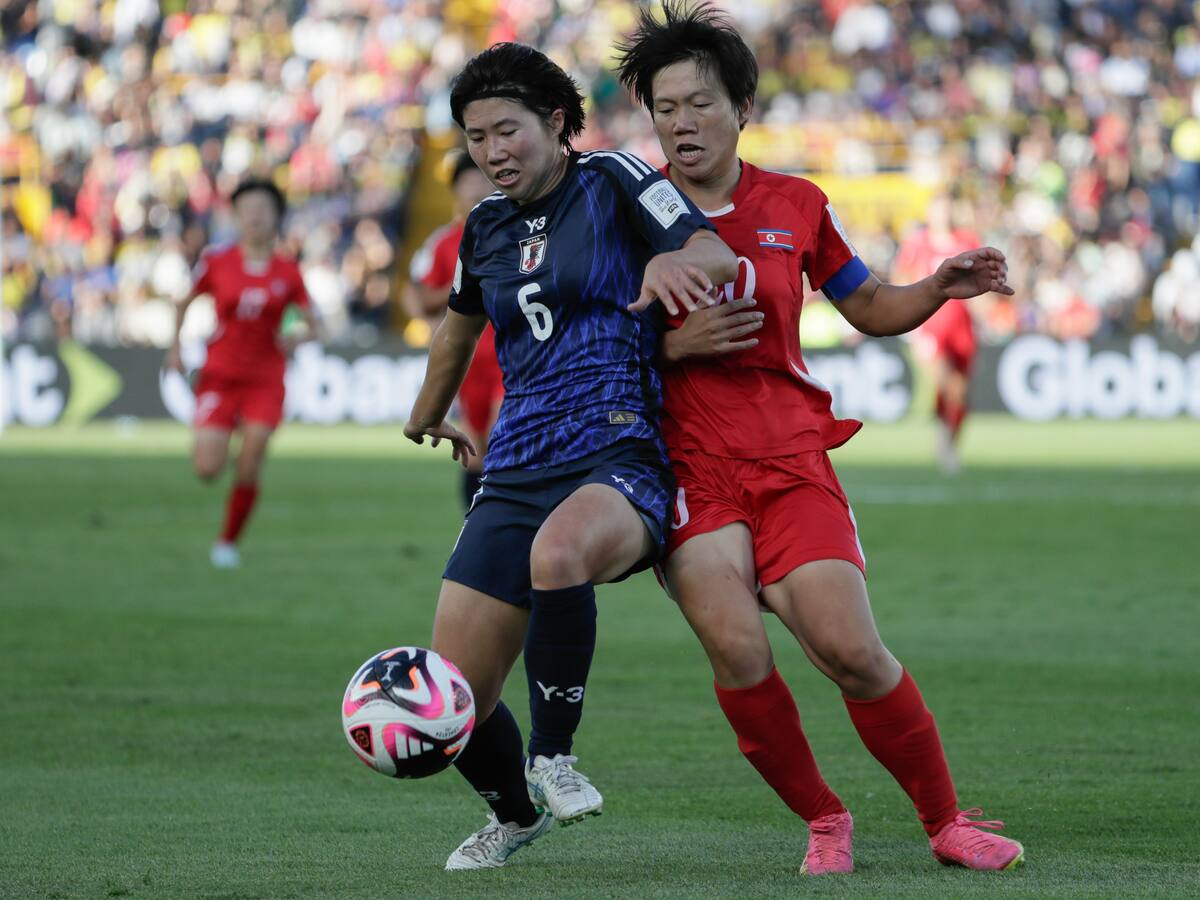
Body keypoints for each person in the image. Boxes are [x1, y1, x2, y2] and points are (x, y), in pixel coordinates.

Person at [614, 2, 1024, 875]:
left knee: (849, 651)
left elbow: (868, 304)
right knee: (736, 644)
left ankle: (947, 823)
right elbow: (584, 339)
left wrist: (938, 286)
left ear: (741, 108)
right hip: (687, 465)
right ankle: (825, 820)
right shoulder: (623, 208)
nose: (680, 123)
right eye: (664, 108)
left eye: (697, 103)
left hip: (791, 457)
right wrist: (665, 343)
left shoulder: (796, 204)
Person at [401, 42, 737, 870]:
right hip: (515, 463)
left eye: (506, 131)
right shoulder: (482, 226)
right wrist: (425, 414)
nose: (491, 153)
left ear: (555, 123)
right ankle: (517, 814)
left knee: (560, 554)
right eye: (476, 138)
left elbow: (715, 254)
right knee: (452, 699)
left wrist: (670, 260)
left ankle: (554, 756)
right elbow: (457, 329)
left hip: (617, 447)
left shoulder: (616, 179)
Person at [165, 178, 321, 569]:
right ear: (236, 216)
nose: (255, 216)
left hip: (266, 379)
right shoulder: (218, 262)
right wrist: (175, 347)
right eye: (247, 209)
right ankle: (221, 428)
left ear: (276, 217)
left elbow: (311, 323)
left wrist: (296, 338)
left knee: (250, 462)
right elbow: (184, 300)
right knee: (207, 469)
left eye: (263, 209)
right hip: (219, 374)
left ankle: (227, 541)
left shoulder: (288, 270)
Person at [408, 151, 505, 507]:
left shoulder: (512, 231)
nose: (476, 189)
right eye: (468, 183)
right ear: (456, 192)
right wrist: (457, 291)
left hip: (509, 357)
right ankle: (475, 527)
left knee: (503, 438)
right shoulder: (444, 243)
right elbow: (418, 297)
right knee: (475, 456)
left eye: (482, 180)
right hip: (467, 363)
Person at [891, 193, 982, 474]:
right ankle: (944, 442)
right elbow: (900, 277)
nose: (942, 215)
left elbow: (980, 283)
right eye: (938, 210)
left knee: (961, 393)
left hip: (962, 326)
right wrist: (910, 322)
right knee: (945, 384)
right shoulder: (918, 244)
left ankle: (950, 443)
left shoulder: (967, 241)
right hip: (930, 326)